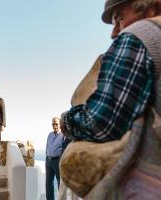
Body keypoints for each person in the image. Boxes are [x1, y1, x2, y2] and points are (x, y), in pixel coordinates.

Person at [61, 0, 161, 198]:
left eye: (119, 18)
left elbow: (102, 123)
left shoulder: (140, 34)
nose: (114, 32)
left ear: (150, 6)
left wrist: (67, 120)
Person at [45, 117, 71, 200]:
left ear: (60, 124)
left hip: (57, 161)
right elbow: (47, 147)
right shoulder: (50, 134)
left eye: (56, 124)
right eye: (53, 124)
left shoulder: (63, 135)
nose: (54, 126)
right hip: (49, 161)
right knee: (48, 183)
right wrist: (47, 157)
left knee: (60, 183)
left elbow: (65, 148)